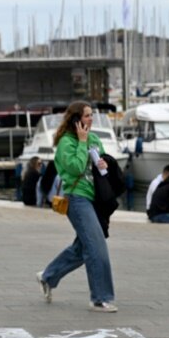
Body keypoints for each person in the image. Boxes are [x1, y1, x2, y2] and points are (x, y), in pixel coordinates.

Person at [36, 101, 117, 313]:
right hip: (77, 199)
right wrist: (81, 142)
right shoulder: (66, 143)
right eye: (87, 115)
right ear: (76, 119)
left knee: (82, 249)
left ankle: (48, 276)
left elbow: (101, 164)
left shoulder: (95, 139)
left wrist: (104, 163)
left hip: (95, 200)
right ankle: (100, 298)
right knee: (96, 247)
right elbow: (75, 167)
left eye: (92, 115)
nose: (91, 119)